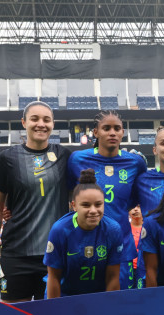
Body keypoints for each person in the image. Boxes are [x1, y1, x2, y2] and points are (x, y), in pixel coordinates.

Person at [0, 101, 71, 302]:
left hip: (54, 256)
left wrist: (121, 156)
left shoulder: (65, 156)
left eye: (46, 119)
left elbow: (89, 182)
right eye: (34, 119)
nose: (40, 124)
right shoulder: (7, 158)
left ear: (53, 124)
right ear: (24, 122)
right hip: (16, 256)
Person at [67, 109, 147, 288]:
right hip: (84, 245)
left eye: (117, 128)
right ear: (96, 132)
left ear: (123, 132)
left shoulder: (135, 163)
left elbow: (134, 199)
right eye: (106, 128)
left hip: (121, 246)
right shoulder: (77, 159)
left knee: (120, 308)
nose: (112, 133)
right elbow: (66, 192)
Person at [44, 169, 128, 298]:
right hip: (64, 297)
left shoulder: (113, 230)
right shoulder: (60, 230)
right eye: (86, 205)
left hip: (97, 298)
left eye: (98, 204)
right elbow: (54, 277)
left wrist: (110, 311)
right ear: (74, 206)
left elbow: (112, 277)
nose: (93, 210)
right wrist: (55, 312)